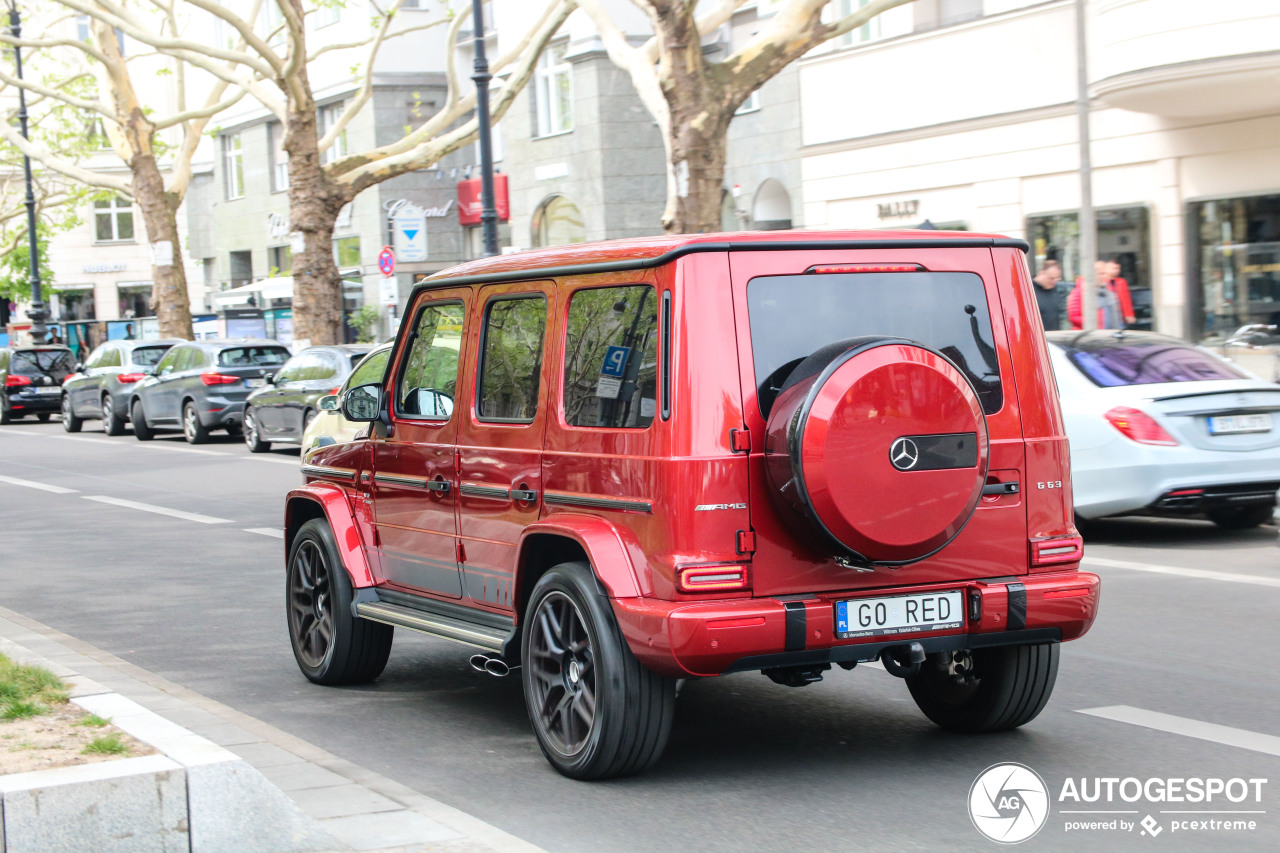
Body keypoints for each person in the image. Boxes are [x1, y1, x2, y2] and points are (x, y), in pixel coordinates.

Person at [1068, 258, 1136, 330]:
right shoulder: (1079, 292)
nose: (1105, 277)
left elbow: (1114, 314)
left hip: (1106, 334)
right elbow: (1074, 317)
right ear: (1092, 275)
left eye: (1105, 273)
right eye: (1101, 273)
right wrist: (1094, 323)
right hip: (1088, 335)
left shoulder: (1108, 291)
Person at [1032, 259, 1065, 330]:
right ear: (1041, 273)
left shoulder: (1057, 291)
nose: (1054, 282)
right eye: (1051, 278)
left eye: (1056, 279)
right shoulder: (1029, 291)